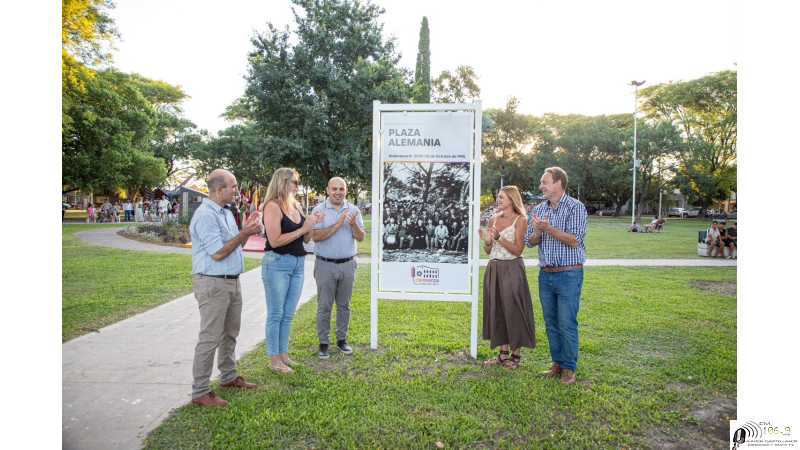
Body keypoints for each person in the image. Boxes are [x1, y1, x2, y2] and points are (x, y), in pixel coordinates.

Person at [189, 169, 263, 407]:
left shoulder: (227, 212)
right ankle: (200, 391)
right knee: (210, 337)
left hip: (231, 280)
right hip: (213, 282)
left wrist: (249, 230)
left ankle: (228, 376)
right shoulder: (205, 216)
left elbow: (233, 244)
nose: (236, 190)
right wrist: (245, 232)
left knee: (230, 332)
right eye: (233, 186)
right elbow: (219, 252)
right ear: (219, 189)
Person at [525, 167, 587, 385]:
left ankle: (569, 368)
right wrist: (538, 232)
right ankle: (557, 363)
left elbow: (574, 240)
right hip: (546, 274)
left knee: (566, 323)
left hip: (569, 273)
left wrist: (548, 228)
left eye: (545, 182)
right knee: (551, 323)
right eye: (542, 182)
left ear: (559, 183)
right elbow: (529, 242)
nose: (541, 186)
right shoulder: (539, 209)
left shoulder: (575, 207)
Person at [261, 168, 322, 374]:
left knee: (288, 314)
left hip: (297, 263)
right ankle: (274, 359)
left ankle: (284, 355)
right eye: (294, 182)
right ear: (282, 182)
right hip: (277, 263)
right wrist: (304, 229)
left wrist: (311, 224)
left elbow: (305, 239)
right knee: (275, 313)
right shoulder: (272, 206)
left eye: (298, 182)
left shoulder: (296, 205)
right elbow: (275, 241)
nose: (297, 186)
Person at [480, 186, 535, 369]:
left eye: (502, 197)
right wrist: (488, 242)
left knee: (514, 309)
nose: (498, 200)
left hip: (512, 268)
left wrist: (498, 237)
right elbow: (488, 250)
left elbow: (518, 250)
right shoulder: (493, 219)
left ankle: (516, 356)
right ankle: (502, 354)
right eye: (498, 197)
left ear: (512, 199)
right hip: (494, 267)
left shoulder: (521, 220)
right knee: (497, 310)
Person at [311, 177, 365, 359]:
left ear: (346, 191)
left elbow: (361, 237)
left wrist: (352, 224)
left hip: (348, 264)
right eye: (334, 189)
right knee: (324, 306)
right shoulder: (318, 210)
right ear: (327, 190)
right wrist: (338, 223)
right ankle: (323, 343)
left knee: (344, 306)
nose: (338, 192)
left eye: (341, 189)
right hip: (325, 264)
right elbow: (315, 237)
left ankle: (342, 340)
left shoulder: (354, 210)